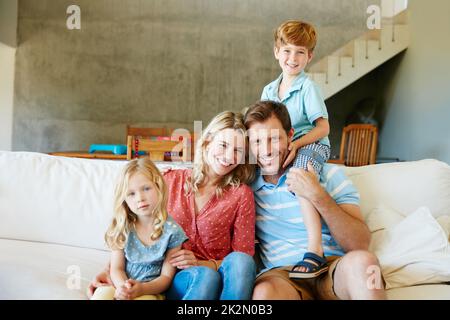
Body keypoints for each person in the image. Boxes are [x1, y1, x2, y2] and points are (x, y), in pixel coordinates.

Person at [88, 111, 257, 300]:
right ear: (208, 142)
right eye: (224, 145)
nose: (229, 156)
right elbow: (134, 226)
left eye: (238, 151)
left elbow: (242, 255)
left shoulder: (241, 194)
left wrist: (204, 263)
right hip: (168, 277)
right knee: (205, 277)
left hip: (219, 276)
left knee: (241, 261)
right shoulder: (169, 180)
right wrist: (110, 270)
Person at [243, 100, 386, 300]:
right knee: (264, 293)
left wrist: (317, 195)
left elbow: (360, 243)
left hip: (334, 269)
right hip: (284, 276)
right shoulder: (247, 187)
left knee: (365, 263)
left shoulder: (328, 174)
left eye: (274, 139)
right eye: (257, 141)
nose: (265, 150)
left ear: (290, 135)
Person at [260, 20, 331, 278]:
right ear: (277, 52)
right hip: (284, 146)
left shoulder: (308, 87)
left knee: (300, 173)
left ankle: (315, 249)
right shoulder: (269, 90)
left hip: (311, 146)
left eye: (300, 52)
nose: (293, 58)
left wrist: (297, 144)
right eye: (287, 50)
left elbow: (323, 128)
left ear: (309, 56)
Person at [91, 158, 187, 300]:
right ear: (124, 199)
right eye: (131, 193)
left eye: (146, 189)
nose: (140, 198)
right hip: (120, 285)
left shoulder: (173, 232)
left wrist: (141, 289)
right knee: (102, 294)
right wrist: (124, 288)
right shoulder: (122, 227)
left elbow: (166, 277)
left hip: (151, 291)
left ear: (158, 187)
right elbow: (116, 268)